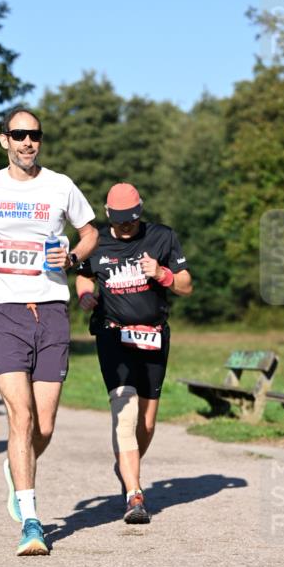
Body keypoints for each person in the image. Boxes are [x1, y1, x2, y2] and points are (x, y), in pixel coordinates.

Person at [0, 107, 98, 556]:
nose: (27, 142)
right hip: (1, 310)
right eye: (18, 134)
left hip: (52, 309)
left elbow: (91, 231)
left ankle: (16, 467)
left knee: (45, 423)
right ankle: (32, 521)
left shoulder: (61, 185)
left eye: (34, 135)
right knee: (20, 417)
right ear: (4, 140)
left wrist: (73, 258)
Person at [75, 183, 193, 524]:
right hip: (113, 335)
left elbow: (187, 285)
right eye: (121, 221)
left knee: (147, 422)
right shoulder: (96, 240)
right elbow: (84, 277)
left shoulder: (162, 237)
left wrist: (162, 274)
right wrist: (85, 297)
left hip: (154, 336)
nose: (127, 227)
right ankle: (135, 494)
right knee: (124, 411)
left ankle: (125, 465)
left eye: (133, 220)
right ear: (109, 215)